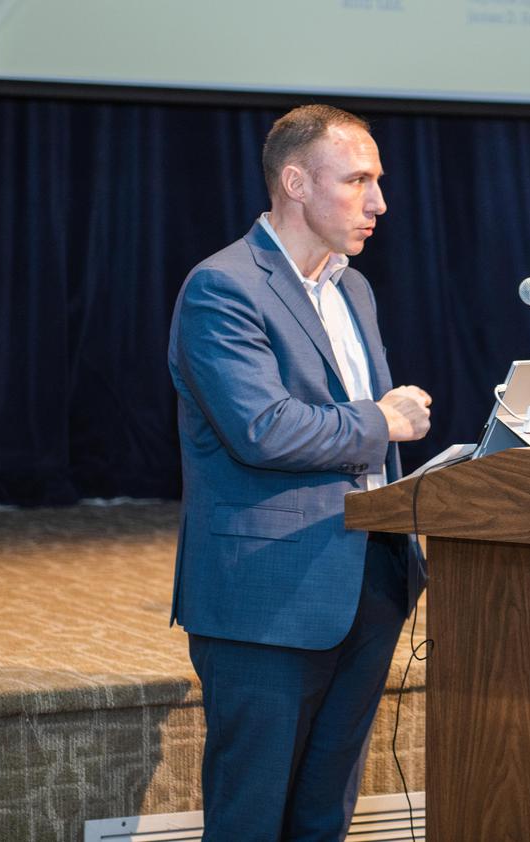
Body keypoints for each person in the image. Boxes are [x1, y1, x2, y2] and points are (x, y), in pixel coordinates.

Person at [167, 104, 431, 841]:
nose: (379, 201)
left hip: (368, 588)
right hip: (267, 601)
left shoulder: (355, 289)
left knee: (323, 818)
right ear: (295, 182)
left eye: (377, 181)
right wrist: (384, 420)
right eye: (357, 180)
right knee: (250, 820)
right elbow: (262, 428)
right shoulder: (223, 288)